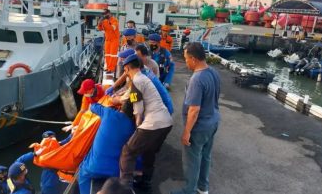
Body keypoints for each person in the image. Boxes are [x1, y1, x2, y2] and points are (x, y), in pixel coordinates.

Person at [170, 42, 220, 194]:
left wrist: (186, 132)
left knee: (192, 160)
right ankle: (202, 187)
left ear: (193, 58)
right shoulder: (213, 72)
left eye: (185, 58)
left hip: (199, 127)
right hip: (213, 121)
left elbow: (194, 110)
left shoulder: (196, 79)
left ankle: (189, 190)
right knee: (205, 156)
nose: (185, 62)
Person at [119, 54, 173, 192]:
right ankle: (145, 183)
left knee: (128, 151)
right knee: (149, 152)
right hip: (166, 123)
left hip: (154, 123)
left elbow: (138, 110)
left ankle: (125, 188)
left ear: (126, 68)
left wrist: (138, 129)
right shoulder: (145, 78)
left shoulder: (136, 81)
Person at [78, 101, 135, 194]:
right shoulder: (133, 127)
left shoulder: (108, 112)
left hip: (93, 168)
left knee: (83, 172)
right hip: (115, 172)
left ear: (120, 108)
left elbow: (92, 106)